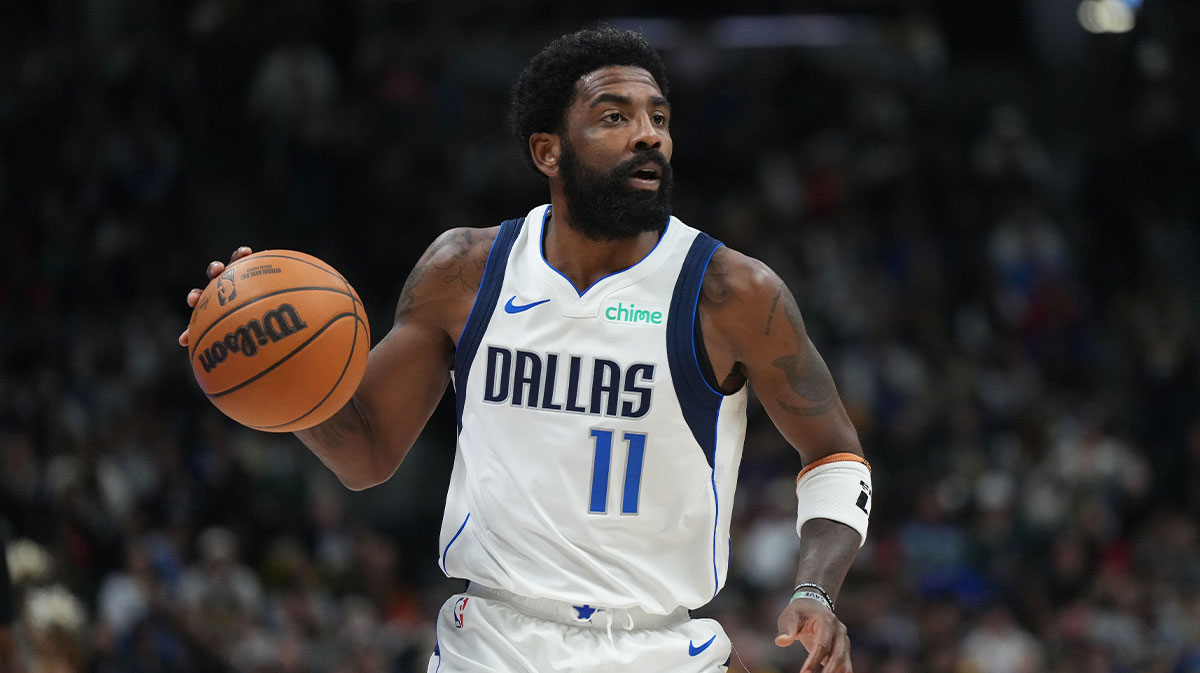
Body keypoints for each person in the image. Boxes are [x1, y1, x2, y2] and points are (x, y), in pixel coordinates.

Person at [179, 26, 872, 673]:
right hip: (491, 640)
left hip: (656, 643)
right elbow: (365, 453)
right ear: (547, 150)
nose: (647, 136)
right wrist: (288, 381)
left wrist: (816, 587)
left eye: (658, 118)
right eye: (614, 117)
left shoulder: (731, 291)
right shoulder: (464, 270)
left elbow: (835, 452)